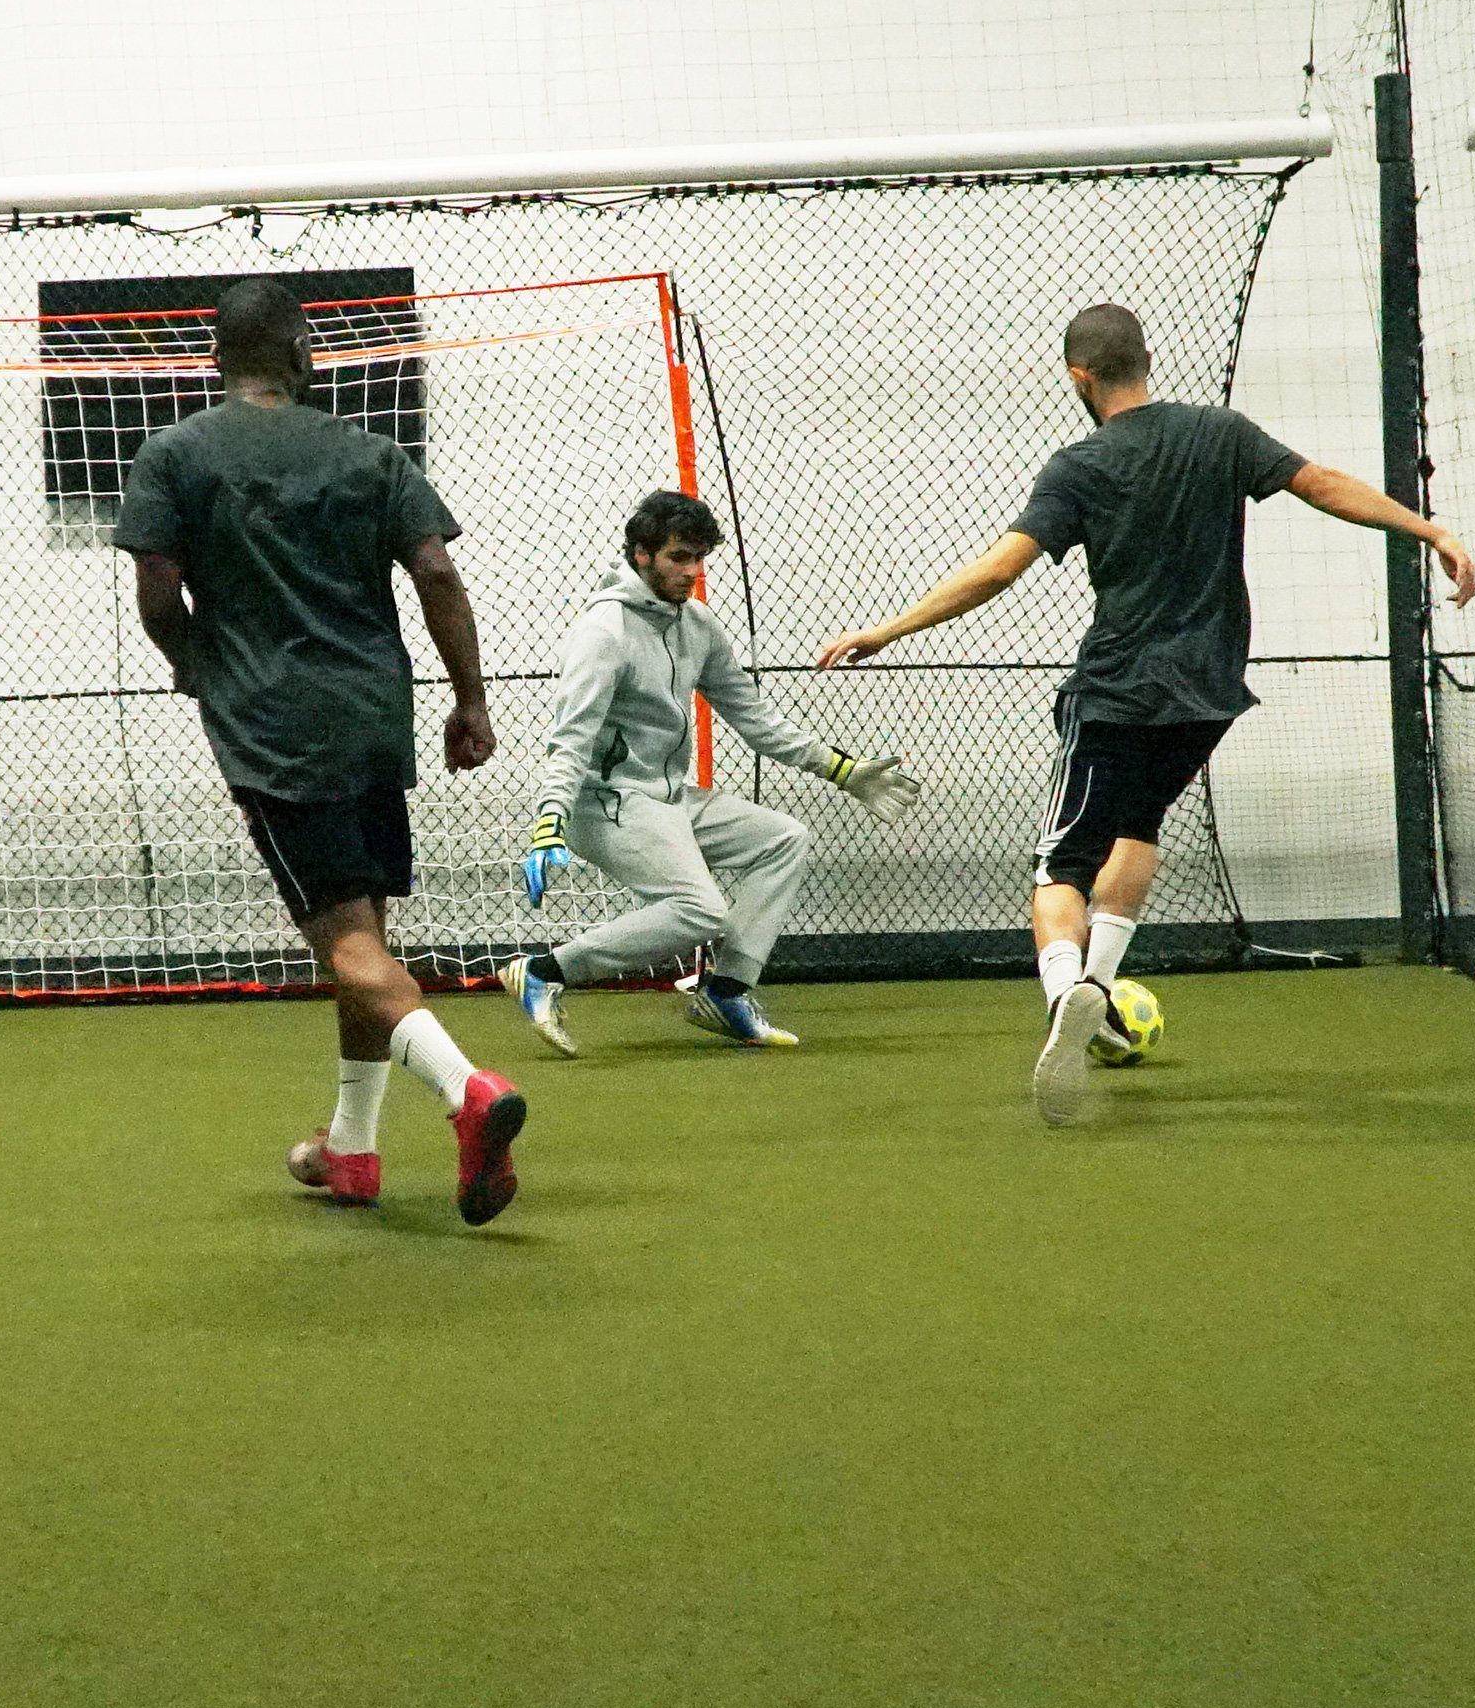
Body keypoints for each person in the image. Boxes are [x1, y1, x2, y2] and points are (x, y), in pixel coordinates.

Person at [818, 302, 1475, 1126]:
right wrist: (1429, 528)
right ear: (1146, 360)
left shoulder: (1080, 464)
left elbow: (998, 571)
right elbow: (1322, 486)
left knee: (1059, 867)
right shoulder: (1220, 432)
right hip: (1208, 693)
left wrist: (888, 627)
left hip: (1119, 694)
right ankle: (1101, 982)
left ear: (1079, 377)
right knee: (1139, 828)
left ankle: (1067, 992)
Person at [115, 276, 526, 1224]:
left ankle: (470, 1092)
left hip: (275, 730)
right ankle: (351, 1151)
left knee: (344, 945)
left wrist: (200, 667)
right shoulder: (371, 453)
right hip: (376, 718)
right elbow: (437, 573)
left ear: (217, 359)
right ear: (302, 354)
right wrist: (470, 699)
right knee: (364, 935)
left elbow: (155, 596)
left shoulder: (175, 453)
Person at [501, 489, 923, 1054]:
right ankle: (545, 972)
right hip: (605, 803)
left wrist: (841, 770)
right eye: (680, 557)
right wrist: (549, 822)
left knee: (783, 839)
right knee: (699, 910)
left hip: (669, 797)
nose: (694, 572)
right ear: (642, 553)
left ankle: (725, 992)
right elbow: (570, 740)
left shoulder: (696, 624)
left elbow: (755, 719)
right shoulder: (603, 631)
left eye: (700, 558)